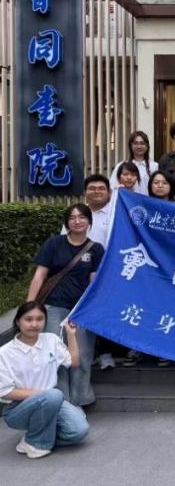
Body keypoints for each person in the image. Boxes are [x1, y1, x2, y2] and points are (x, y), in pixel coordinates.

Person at [26, 204, 105, 406]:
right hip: (54, 306)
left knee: (83, 354)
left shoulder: (96, 249)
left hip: (81, 310)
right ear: (67, 222)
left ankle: (80, 400)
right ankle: (61, 401)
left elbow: (94, 282)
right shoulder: (54, 243)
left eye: (82, 217)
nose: (77, 221)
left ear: (89, 221)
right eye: (72, 218)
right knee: (55, 355)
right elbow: (39, 275)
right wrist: (30, 306)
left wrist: (93, 308)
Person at [0, 302, 90, 459]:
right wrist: (43, 395)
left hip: (53, 400)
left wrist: (71, 334)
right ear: (18, 321)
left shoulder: (51, 340)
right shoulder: (5, 353)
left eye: (40, 319)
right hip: (18, 408)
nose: (34, 324)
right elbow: (5, 392)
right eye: (29, 319)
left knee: (79, 431)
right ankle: (38, 444)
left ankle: (33, 437)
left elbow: (73, 362)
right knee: (53, 395)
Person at [109, 131, 158, 195]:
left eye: (142, 143)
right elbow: (112, 187)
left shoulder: (154, 166)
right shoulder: (121, 165)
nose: (139, 146)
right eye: (135, 143)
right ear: (131, 146)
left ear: (147, 146)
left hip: (147, 201)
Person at [80, 174, 113, 247]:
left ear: (109, 192)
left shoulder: (116, 213)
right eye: (92, 188)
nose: (97, 191)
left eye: (101, 188)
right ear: (84, 192)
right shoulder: (77, 213)